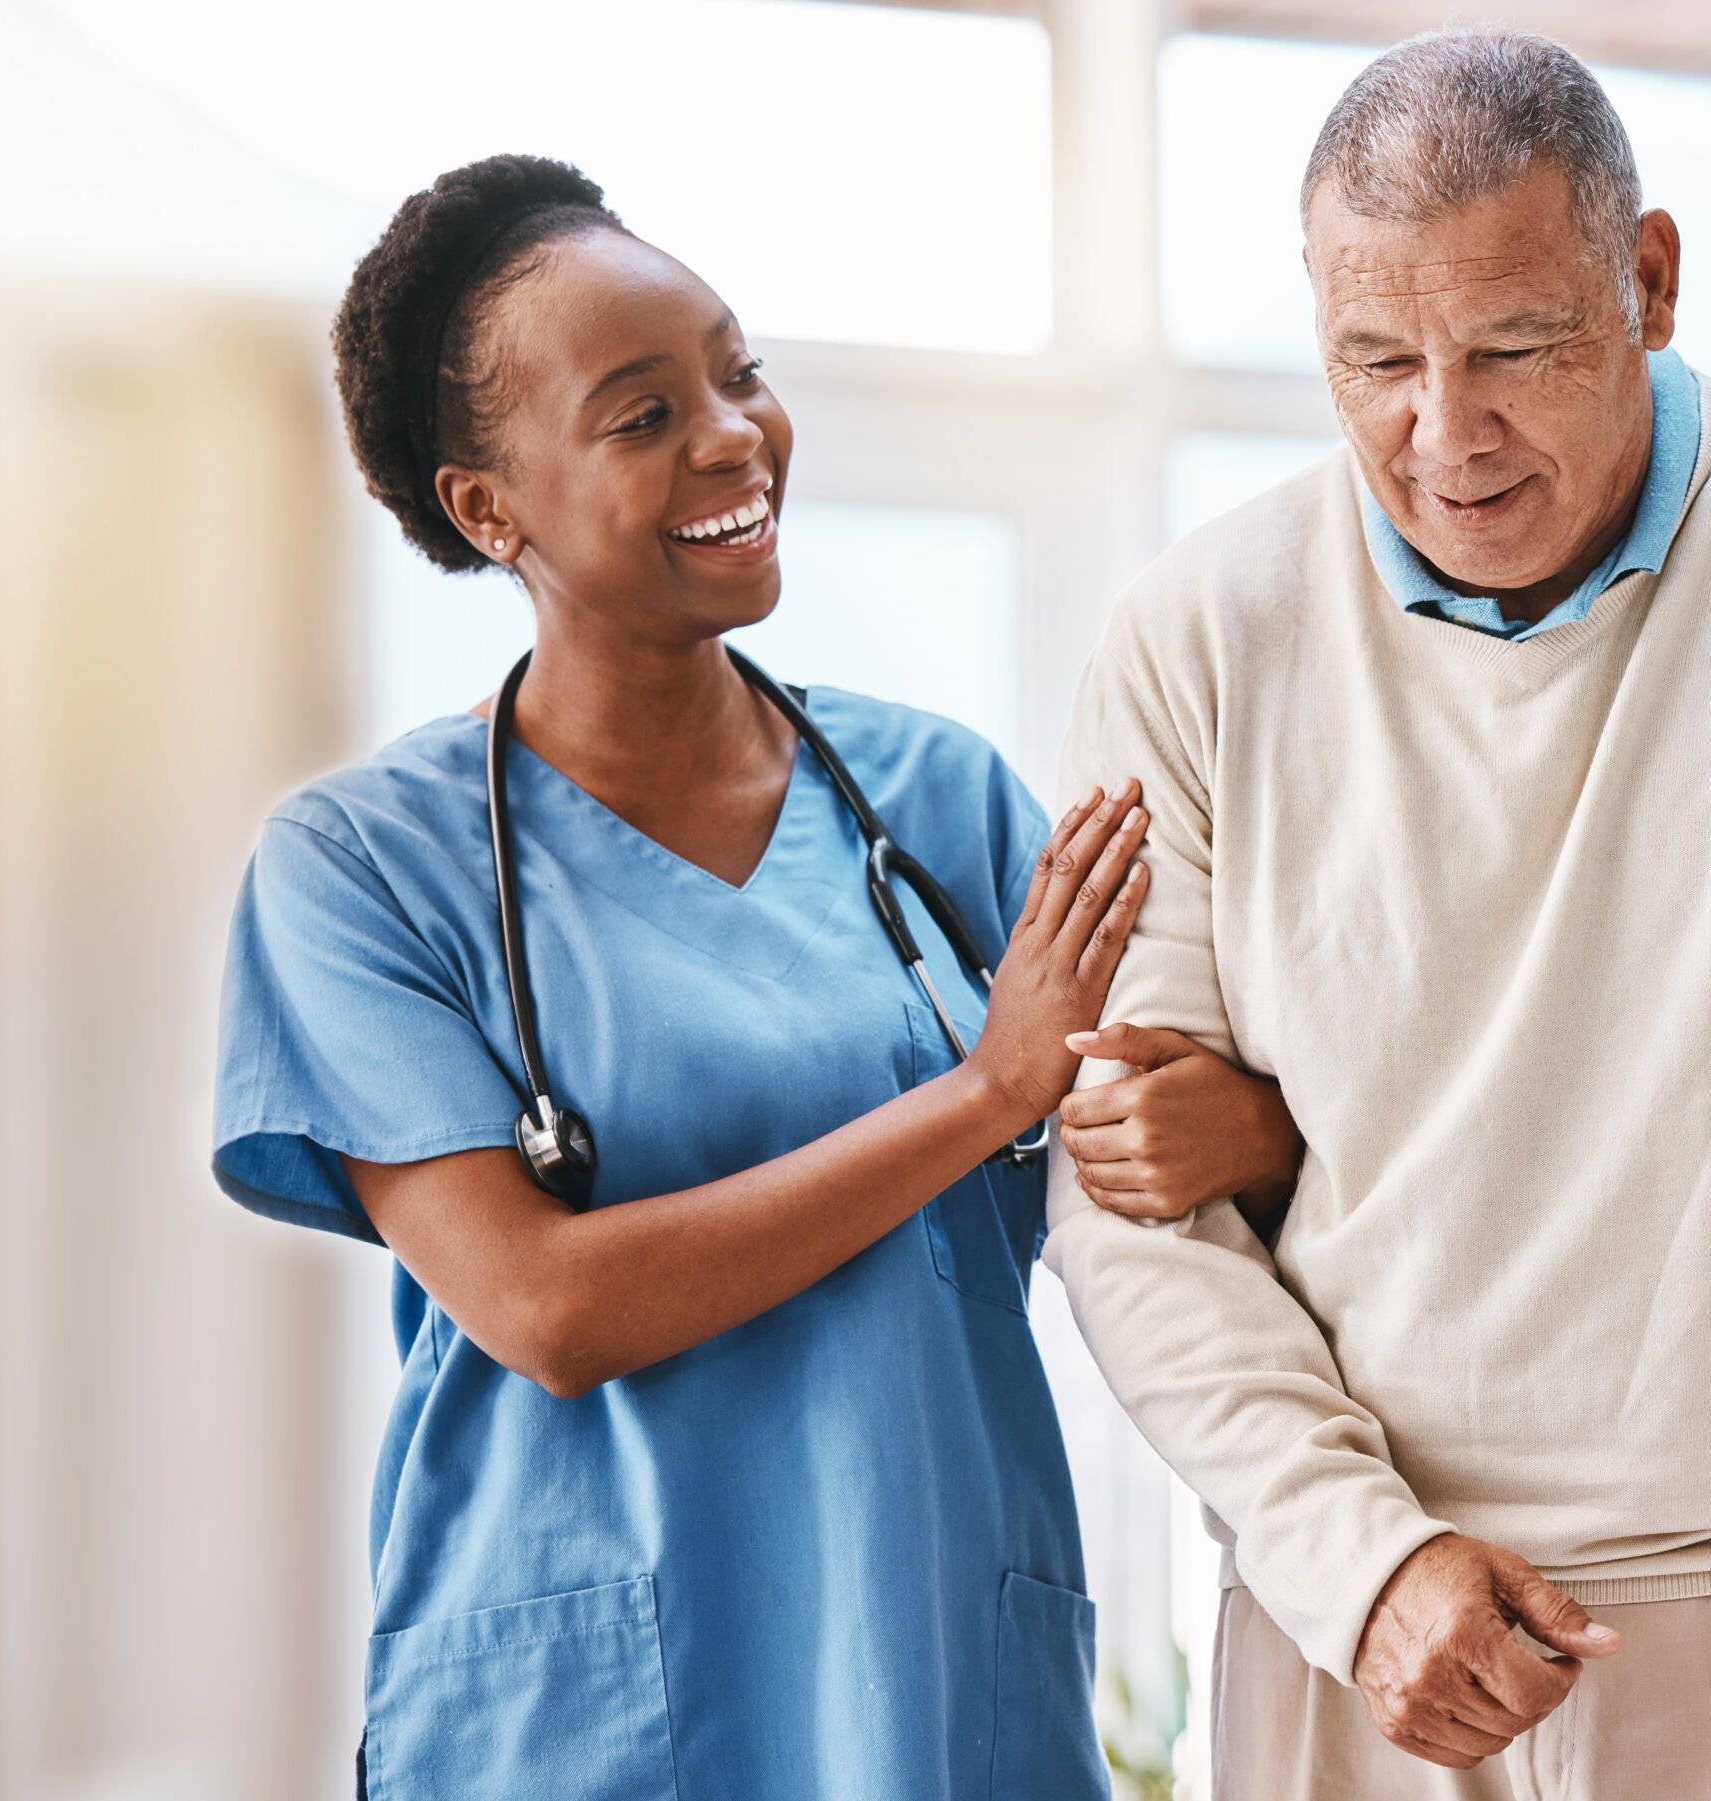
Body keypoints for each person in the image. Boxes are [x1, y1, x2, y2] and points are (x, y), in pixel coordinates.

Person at [1046, 29, 1711, 1800]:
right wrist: (1353, 1557)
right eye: (1375, 360)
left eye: (1514, 351)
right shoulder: (1200, 630)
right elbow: (1126, 1199)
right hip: (1372, 1633)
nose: (1441, 434)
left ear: (1652, 280)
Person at [209, 154, 1304, 1799]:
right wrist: (984, 1096)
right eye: (642, 415)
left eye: (739, 373)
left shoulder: (939, 805)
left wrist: (1253, 1124)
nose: (732, 435)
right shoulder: (367, 869)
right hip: (581, 1730)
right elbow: (545, 1306)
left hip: (937, 1676)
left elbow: (1168, 1152)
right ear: (486, 507)